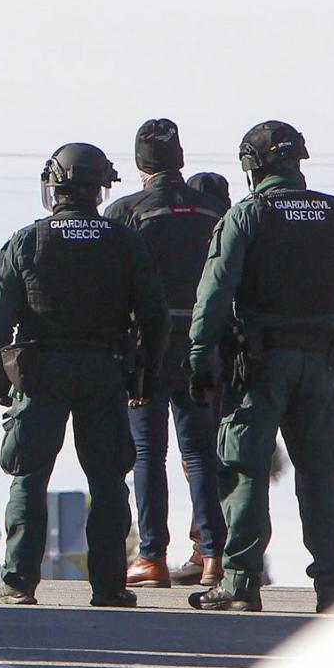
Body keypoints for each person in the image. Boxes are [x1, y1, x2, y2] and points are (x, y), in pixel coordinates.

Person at [186, 121, 334, 613]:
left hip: (260, 365)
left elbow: (215, 292)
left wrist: (201, 354)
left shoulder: (247, 216)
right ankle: (332, 588)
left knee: (246, 467)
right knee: (320, 475)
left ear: (253, 167)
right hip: (323, 362)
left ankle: (241, 583)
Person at [0, 142, 168, 607]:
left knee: (29, 476)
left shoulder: (28, 239)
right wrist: (145, 373)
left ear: (56, 186)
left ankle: (19, 583)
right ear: (99, 188)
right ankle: (109, 586)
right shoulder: (124, 240)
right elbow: (154, 317)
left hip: (41, 371)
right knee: (108, 480)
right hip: (105, 371)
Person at [103, 120, 229, 591]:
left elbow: (111, 287)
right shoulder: (214, 210)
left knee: (147, 454)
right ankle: (214, 556)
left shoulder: (126, 212)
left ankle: (152, 557)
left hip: (146, 348)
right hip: (203, 344)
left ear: (140, 165)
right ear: (179, 159)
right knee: (200, 454)